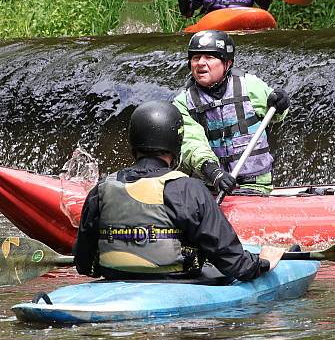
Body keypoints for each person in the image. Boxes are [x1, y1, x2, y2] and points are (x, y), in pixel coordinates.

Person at [73, 100, 286, 281]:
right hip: (177, 283)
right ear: (176, 142)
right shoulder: (188, 189)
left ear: (134, 141)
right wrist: (262, 263)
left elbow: (83, 264)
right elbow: (234, 264)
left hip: (116, 280)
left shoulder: (101, 189)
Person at [172, 30, 290, 195]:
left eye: (209, 57)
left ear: (227, 63)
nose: (200, 63)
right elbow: (192, 143)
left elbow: (276, 115)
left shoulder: (250, 85)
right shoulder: (183, 102)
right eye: (196, 58)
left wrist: (281, 104)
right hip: (212, 188)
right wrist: (213, 172)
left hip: (256, 186)